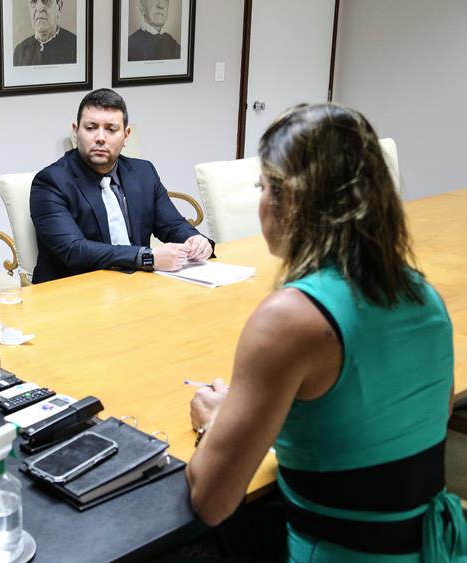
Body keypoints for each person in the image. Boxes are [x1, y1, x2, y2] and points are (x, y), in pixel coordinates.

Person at [185, 104, 466, 561]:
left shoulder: (289, 319)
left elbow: (212, 501)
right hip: (437, 549)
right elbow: (419, 420)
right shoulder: (422, 293)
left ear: (290, 200)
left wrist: (216, 423)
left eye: (263, 186)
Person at [29, 88, 213, 284]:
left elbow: (172, 224)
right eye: (91, 127)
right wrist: (147, 257)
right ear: (76, 131)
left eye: (111, 129)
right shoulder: (50, 182)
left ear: (126, 135)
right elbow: (74, 250)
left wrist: (194, 239)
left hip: (136, 284)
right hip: (73, 289)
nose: (100, 137)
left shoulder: (144, 172)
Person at [13, 0, 77, 66]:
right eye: (33, 1)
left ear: (59, 7)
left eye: (47, 1)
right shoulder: (19, 52)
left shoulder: (76, 46)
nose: (39, 8)